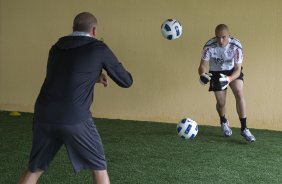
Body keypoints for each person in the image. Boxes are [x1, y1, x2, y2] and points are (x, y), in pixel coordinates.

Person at [18, 12, 133, 184]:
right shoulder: (98, 47)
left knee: (35, 168)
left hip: (44, 114)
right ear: (94, 30)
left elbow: (65, 74)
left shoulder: (56, 47)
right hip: (74, 118)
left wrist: (94, 77)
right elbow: (125, 81)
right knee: (99, 168)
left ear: (73, 28)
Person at [198, 24, 255, 142]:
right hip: (216, 72)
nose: (220, 40)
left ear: (229, 35)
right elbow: (202, 65)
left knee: (239, 93)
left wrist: (229, 79)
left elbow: (238, 69)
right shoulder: (209, 46)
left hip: (232, 71)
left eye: (223, 37)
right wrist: (202, 75)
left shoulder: (236, 46)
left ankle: (244, 128)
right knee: (221, 102)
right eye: (217, 37)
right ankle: (223, 121)